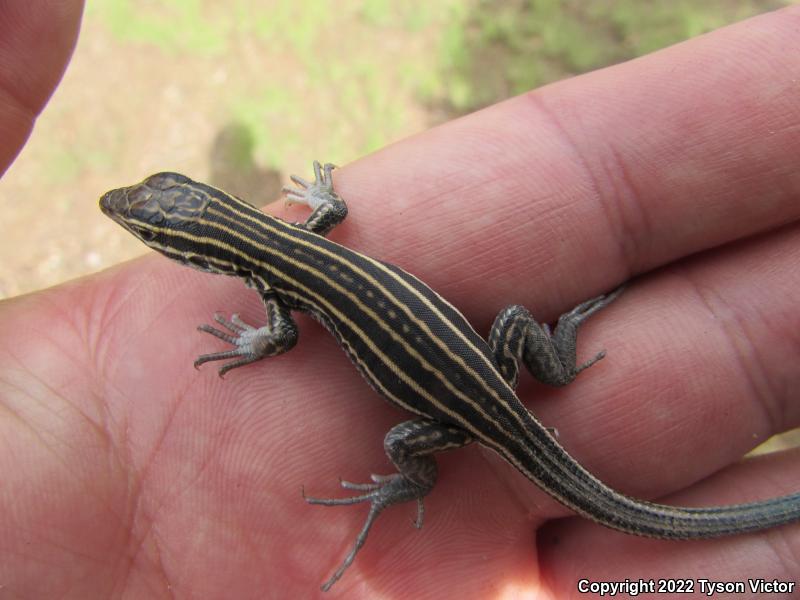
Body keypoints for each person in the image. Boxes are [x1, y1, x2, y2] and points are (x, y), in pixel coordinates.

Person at [2, 3, 799, 597]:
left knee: (398, 446)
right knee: (521, 325)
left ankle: (413, 482)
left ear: (192, 244)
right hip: (486, 377)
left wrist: (249, 345)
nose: (144, 212)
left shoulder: (275, 283)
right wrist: (318, 188)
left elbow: (279, 339)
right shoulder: (297, 241)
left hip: (454, 418)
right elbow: (335, 209)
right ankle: (555, 361)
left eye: (155, 217)